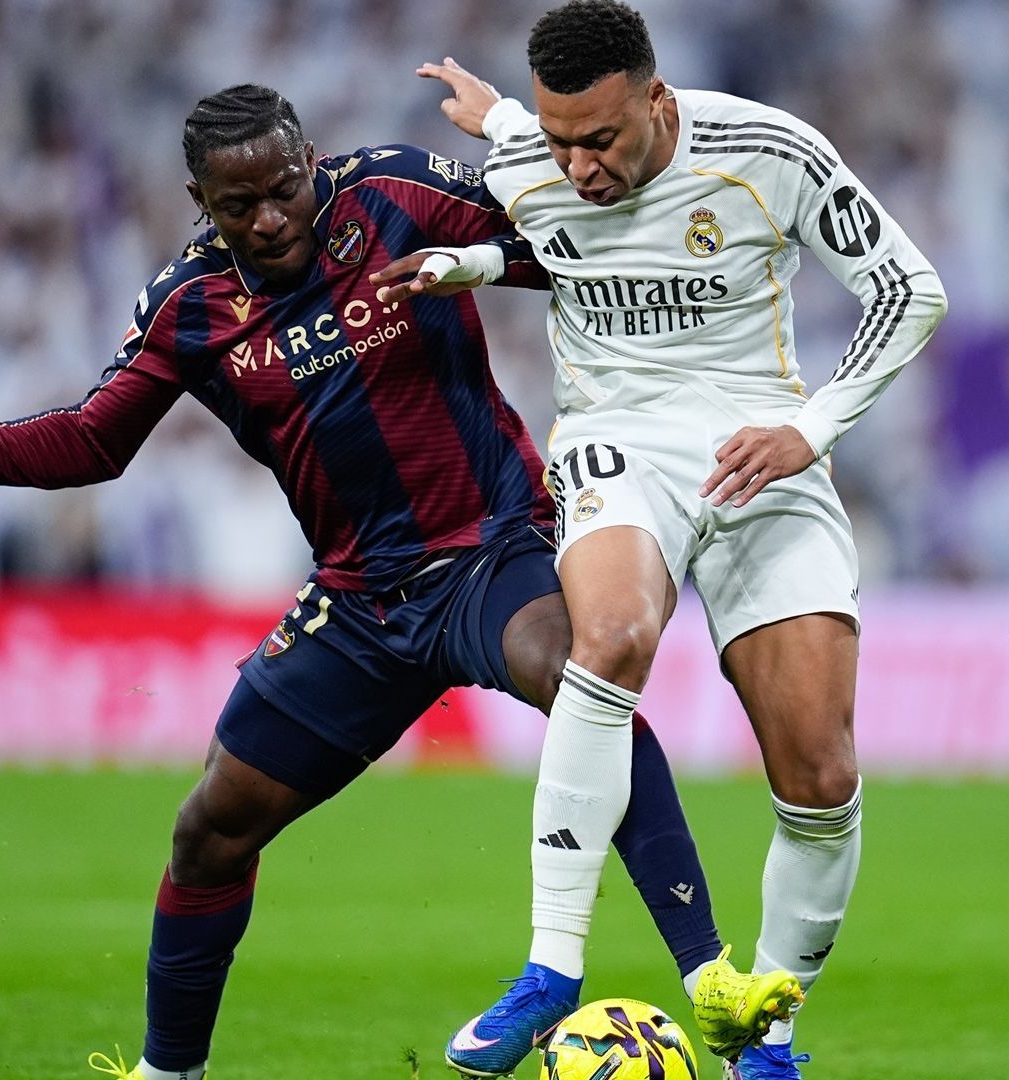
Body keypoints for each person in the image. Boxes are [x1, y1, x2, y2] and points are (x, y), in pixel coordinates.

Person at [0, 83, 761, 1080]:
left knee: (583, 679)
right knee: (211, 830)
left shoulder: (395, 193)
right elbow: (94, 440)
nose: (269, 217)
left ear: (311, 159)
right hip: (358, 604)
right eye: (238, 204)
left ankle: (712, 990)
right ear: (198, 201)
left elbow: (562, 242)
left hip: (492, 547)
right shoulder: (189, 306)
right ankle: (169, 1074)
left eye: (284, 188)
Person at [403, 4, 949, 1077]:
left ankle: (766, 1041)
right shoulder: (535, 155)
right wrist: (483, 205)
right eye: (557, 141)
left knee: (822, 772)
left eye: (600, 140)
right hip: (618, 436)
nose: (579, 167)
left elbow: (909, 290)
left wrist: (811, 428)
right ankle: (550, 967)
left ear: (658, 103)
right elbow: (542, 236)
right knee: (603, 641)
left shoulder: (768, 151)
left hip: (764, 441)